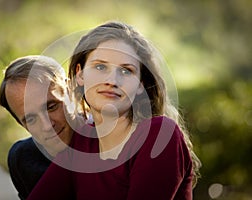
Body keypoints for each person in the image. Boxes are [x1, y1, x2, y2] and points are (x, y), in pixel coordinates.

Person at [27, 21, 201, 200]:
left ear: (140, 84)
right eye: (100, 67)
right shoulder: (81, 144)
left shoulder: (159, 134)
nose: (112, 80)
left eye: (126, 71)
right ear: (80, 74)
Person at [0, 55, 76, 199]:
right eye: (31, 119)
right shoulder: (23, 159)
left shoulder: (113, 144)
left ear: (71, 92)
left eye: (52, 107)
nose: (47, 126)